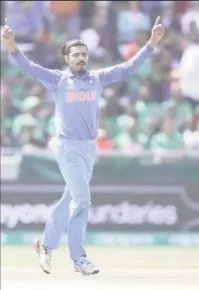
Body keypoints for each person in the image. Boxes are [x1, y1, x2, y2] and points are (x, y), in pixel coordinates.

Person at [2, 17, 164, 275]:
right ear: (66, 58)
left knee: (70, 199)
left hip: (88, 148)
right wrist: (11, 47)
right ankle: (79, 259)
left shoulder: (97, 79)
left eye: (84, 54)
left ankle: (46, 244)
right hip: (67, 147)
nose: (80, 58)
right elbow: (30, 68)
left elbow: (128, 67)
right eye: (75, 54)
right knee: (82, 199)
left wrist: (151, 44)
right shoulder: (58, 80)